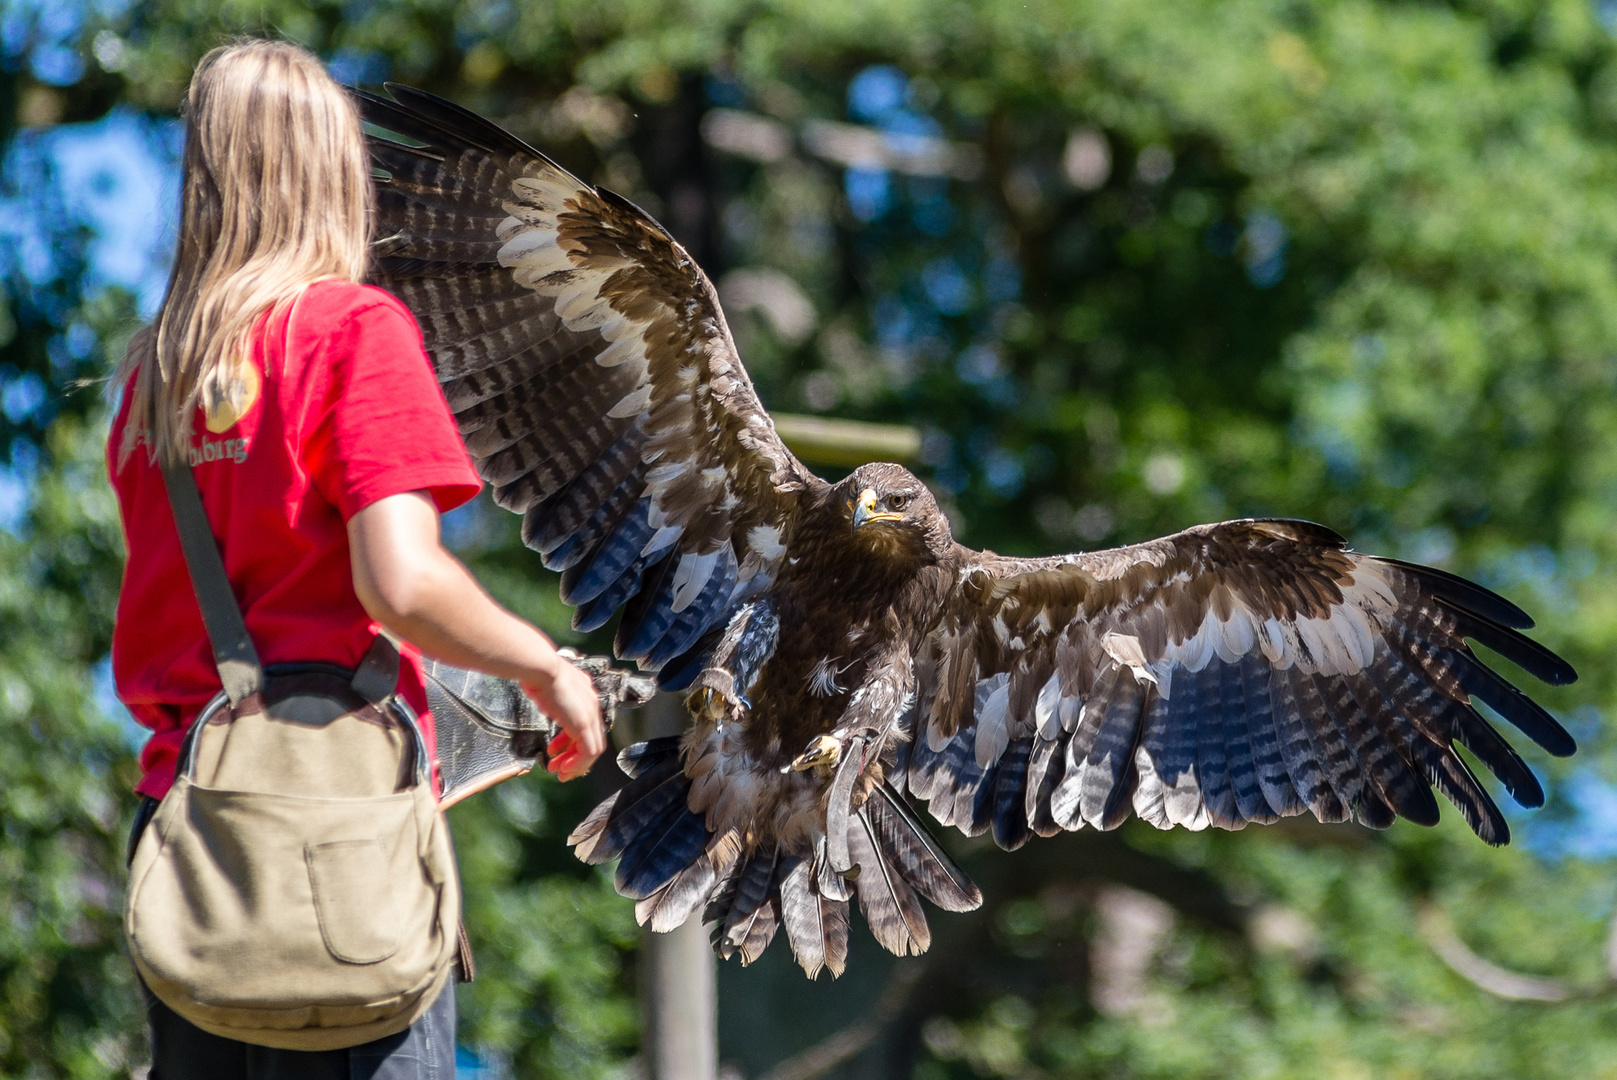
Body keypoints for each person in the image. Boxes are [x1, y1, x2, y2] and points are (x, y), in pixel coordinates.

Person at [107, 39, 606, 1078]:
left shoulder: (153, 383)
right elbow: (402, 581)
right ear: (335, 170)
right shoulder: (350, 332)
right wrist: (545, 667)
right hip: (335, 835)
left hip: (188, 838)